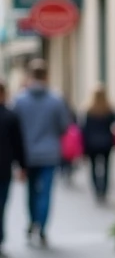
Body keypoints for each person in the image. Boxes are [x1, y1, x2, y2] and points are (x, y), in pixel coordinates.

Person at [13, 59, 71, 247]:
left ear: (30, 76)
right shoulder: (56, 100)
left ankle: (33, 222)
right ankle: (42, 227)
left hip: (27, 154)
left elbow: (14, 128)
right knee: (45, 192)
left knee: (31, 191)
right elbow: (64, 126)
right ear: (46, 76)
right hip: (49, 152)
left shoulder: (20, 100)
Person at [0, 82, 27, 255]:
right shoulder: (10, 116)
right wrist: (22, 166)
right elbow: (18, 144)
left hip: (4, 168)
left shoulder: (11, 116)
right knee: (2, 204)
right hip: (4, 168)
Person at [81, 85, 115, 203]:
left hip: (92, 143)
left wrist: (84, 147)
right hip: (106, 143)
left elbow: (85, 130)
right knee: (106, 167)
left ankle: (97, 190)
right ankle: (104, 190)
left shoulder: (89, 111)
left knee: (93, 167)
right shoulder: (109, 110)